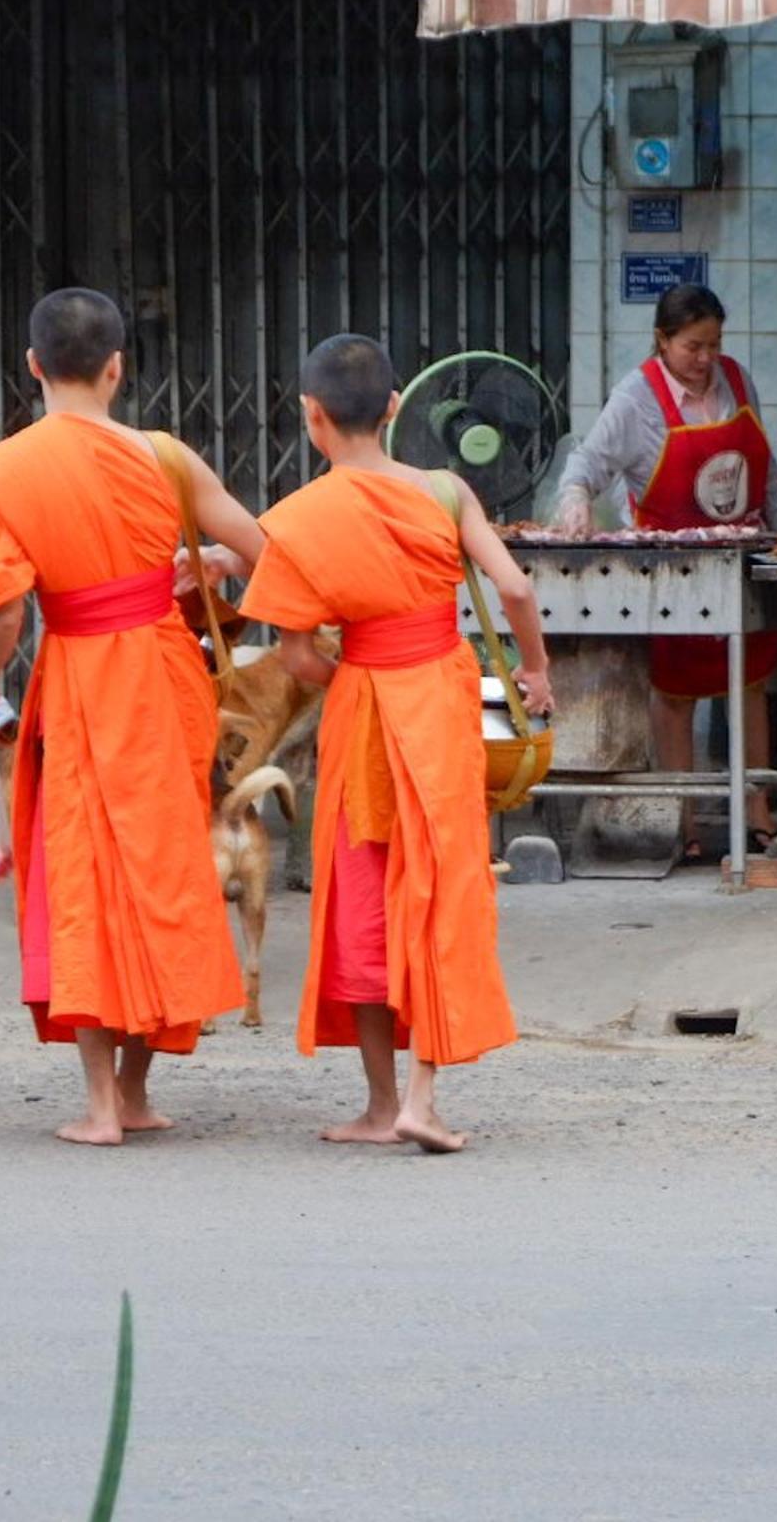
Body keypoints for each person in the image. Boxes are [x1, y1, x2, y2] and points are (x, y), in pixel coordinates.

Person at [216, 333, 553, 1152]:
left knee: (361, 888)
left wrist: (352, 668)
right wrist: (536, 674)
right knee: (438, 880)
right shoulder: (444, 489)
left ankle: (375, 1106)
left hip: (363, 701)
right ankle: (423, 1098)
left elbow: (294, 651)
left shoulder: (298, 518)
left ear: (312, 415)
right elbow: (512, 586)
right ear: (399, 407)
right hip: (437, 694)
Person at [0, 287, 267, 1147]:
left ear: (32, 365)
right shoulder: (165, 456)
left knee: (84, 876)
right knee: (160, 868)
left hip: (83, 677)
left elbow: (2, 612)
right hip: (165, 674)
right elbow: (259, 552)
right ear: (118, 366)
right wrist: (187, 566)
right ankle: (135, 1090)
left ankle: (100, 1106)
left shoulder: (10, 470)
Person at [551, 284, 777, 858]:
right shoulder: (636, 397)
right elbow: (588, 462)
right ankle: (680, 820)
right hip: (674, 572)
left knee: (751, 684)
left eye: (713, 343)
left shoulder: (735, 378)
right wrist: (576, 497)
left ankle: (758, 807)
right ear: (662, 340)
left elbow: (767, 464)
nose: (706, 359)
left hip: (743, 559)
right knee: (676, 691)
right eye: (692, 347)